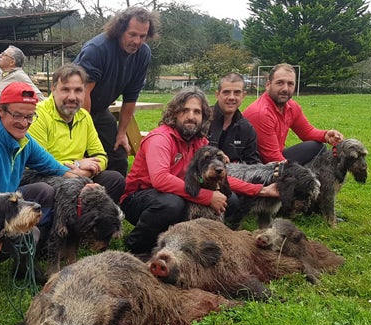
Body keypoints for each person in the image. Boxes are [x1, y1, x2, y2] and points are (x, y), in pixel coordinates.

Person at [120, 87, 279, 257]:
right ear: (174, 113)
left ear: (203, 117)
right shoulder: (160, 139)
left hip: (177, 192)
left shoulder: (200, 142)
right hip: (139, 197)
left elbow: (221, 178)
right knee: (172, 205)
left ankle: (190, 243)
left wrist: (261, 190)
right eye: (185, 110)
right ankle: (136, 245)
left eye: (197, 112)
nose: (191, 116)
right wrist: (207, 196)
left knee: (230, 200)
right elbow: (160, 179)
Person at [0, 81, 81, 226]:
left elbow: (55, 168)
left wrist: (84, 184)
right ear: (1, 110)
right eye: (17, 116)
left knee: (43, 191)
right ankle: (21, 241)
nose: (24, 123)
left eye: (30, 117)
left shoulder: (24, 140)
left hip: (6, 198)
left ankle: (36, 241)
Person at [73, 7, 159, 177]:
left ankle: (116, 200)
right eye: (132, 34)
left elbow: (131, 96)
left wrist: (121, 134)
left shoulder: (143, 54)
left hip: (100, 109)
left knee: (118, 155)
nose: (137, 41)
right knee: (82, 157)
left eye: (143, 36)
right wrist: (83, 137)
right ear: (120, 30)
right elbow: (84, 94)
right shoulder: (97, 49)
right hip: (73, 110)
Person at [28, 63, 126, 203]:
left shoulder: (84, 116)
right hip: (47, 177)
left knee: (115, 179)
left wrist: (86, 172)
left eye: (78, 90)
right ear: (53, 89)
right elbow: (39, 163)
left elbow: (101, 155)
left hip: (80, 175)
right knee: (53, 188)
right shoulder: (38, 115)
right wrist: (77, 166)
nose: (72, 97)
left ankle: (91, 220)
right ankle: (74, 220)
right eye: (66, 90)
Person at [243, 63, 344, 165]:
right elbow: (272, 158)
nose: (285, 89)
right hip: (255, 167)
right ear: (268, 85)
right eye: (280, 83)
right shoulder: (261, 113)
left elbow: (307, 133)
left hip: (274, 157)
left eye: (290, 84)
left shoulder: (291, 106)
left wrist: (325, 135)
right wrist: (298, 174)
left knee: (318, 147)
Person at [208, 72, 260, 164]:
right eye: (226, 92)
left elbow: (252, 164)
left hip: (233, 176)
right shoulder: (203, 119)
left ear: (243, 96)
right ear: (217, 94)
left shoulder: (247, 129)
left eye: (237, 93)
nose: (231, 97)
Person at [0, 46, 44, 119]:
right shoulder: (5, 74)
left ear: (12, 62)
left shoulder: (18, 75)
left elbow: (40, 98)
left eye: (4, 54)